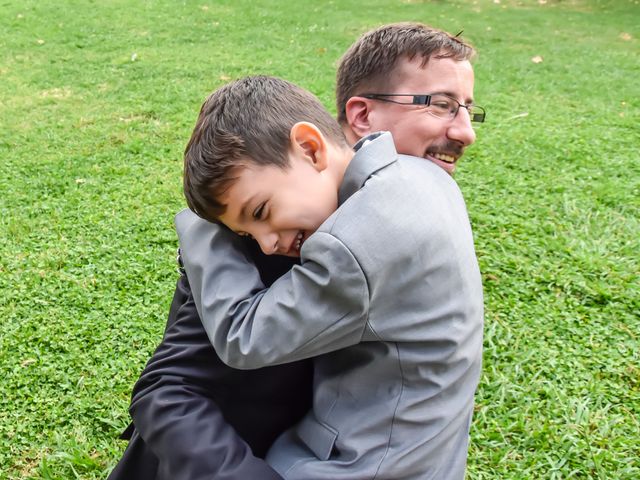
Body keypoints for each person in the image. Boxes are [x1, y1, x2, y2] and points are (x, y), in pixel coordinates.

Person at [109, 22, 484, 480]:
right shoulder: (417, 182)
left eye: (261, 213)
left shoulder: (365, 226)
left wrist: (200, 227)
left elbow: (245, 337)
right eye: (442, 106)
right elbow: (169, 387)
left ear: (311, 147)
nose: (464, 133)